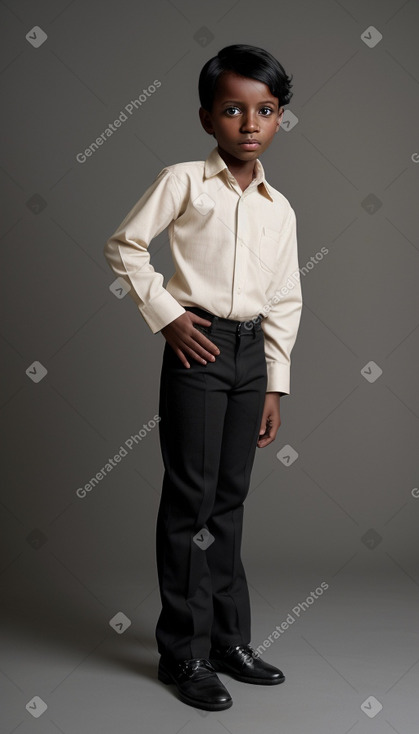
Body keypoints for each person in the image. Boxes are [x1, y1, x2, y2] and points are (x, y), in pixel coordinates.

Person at [104, 43, 303, 712]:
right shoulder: (183, 180)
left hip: (252, 357)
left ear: (279, 118)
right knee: (190, 499)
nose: (249, 123)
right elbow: (125, 245)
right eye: (233, 109)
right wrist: (164, 316)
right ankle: (181, 654)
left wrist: (274, 382)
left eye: (265, 110)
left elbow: (284, 298)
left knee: (228, 501)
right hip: (199, 348)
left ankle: (227, 641)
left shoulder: (280, 209)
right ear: (206, 118)